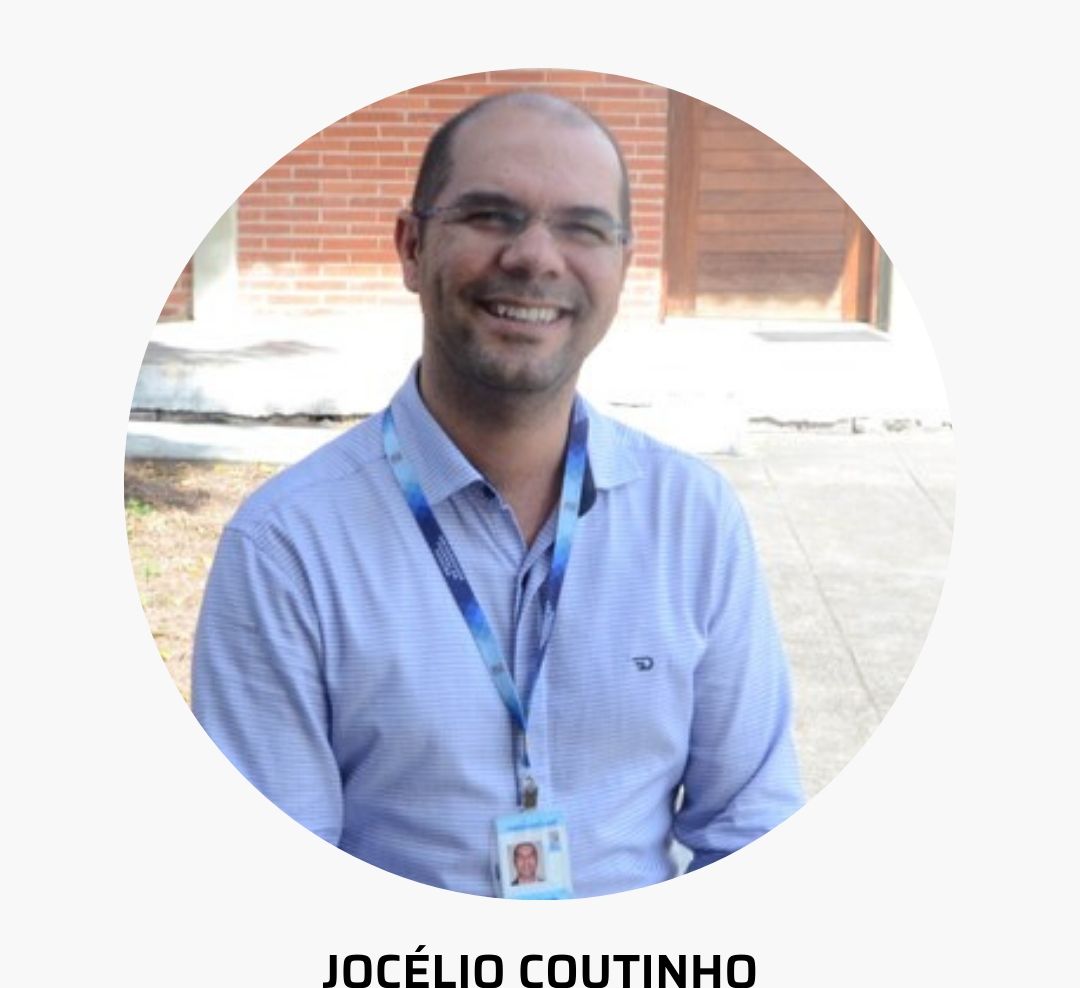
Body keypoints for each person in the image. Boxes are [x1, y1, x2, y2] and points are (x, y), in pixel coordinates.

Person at [192, 91, 803, 898]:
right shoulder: (287, 548)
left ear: (621, 266)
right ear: (412, 247)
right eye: (490, 215)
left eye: (583, 227)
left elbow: (752, 832)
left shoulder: (694, 520)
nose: (535, 257)